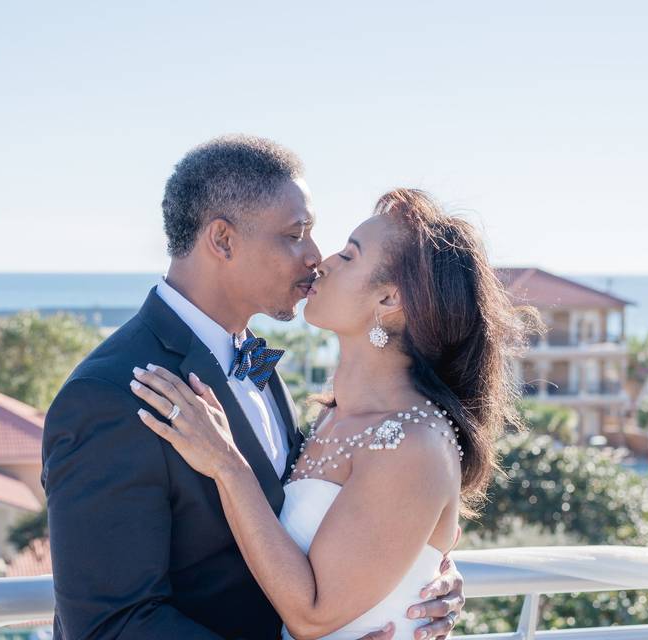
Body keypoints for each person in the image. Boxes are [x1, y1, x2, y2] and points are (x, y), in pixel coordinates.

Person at [41, 136, 466, 639]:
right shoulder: (110, 393)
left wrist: (411, 578)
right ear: (223, 240)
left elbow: (317, 524)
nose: (315, 257)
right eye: (295, 234)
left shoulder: (258, 364)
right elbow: (111, 626)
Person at [130, 187, 534, 638]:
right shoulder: (334, 417)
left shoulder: (413, 442)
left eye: (349, 255)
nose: (322, 262)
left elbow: (313, 615)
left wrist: (226, 463)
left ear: (388, 300)